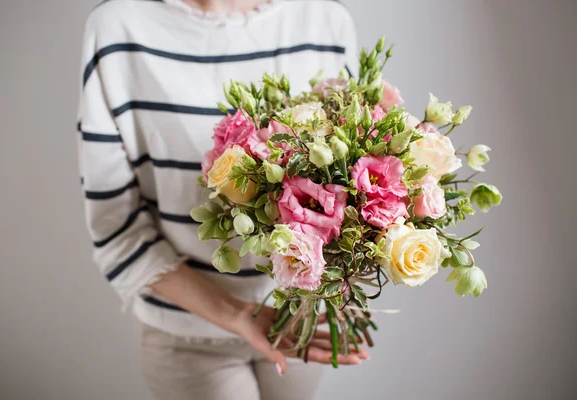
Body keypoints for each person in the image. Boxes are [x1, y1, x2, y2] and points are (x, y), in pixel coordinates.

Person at [76, 0, 368, 399]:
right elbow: (116, 226)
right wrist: (235, 313)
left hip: (300, 323)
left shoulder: (325, 21)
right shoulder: (117, 29)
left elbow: (355, 177)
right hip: (188, 334)